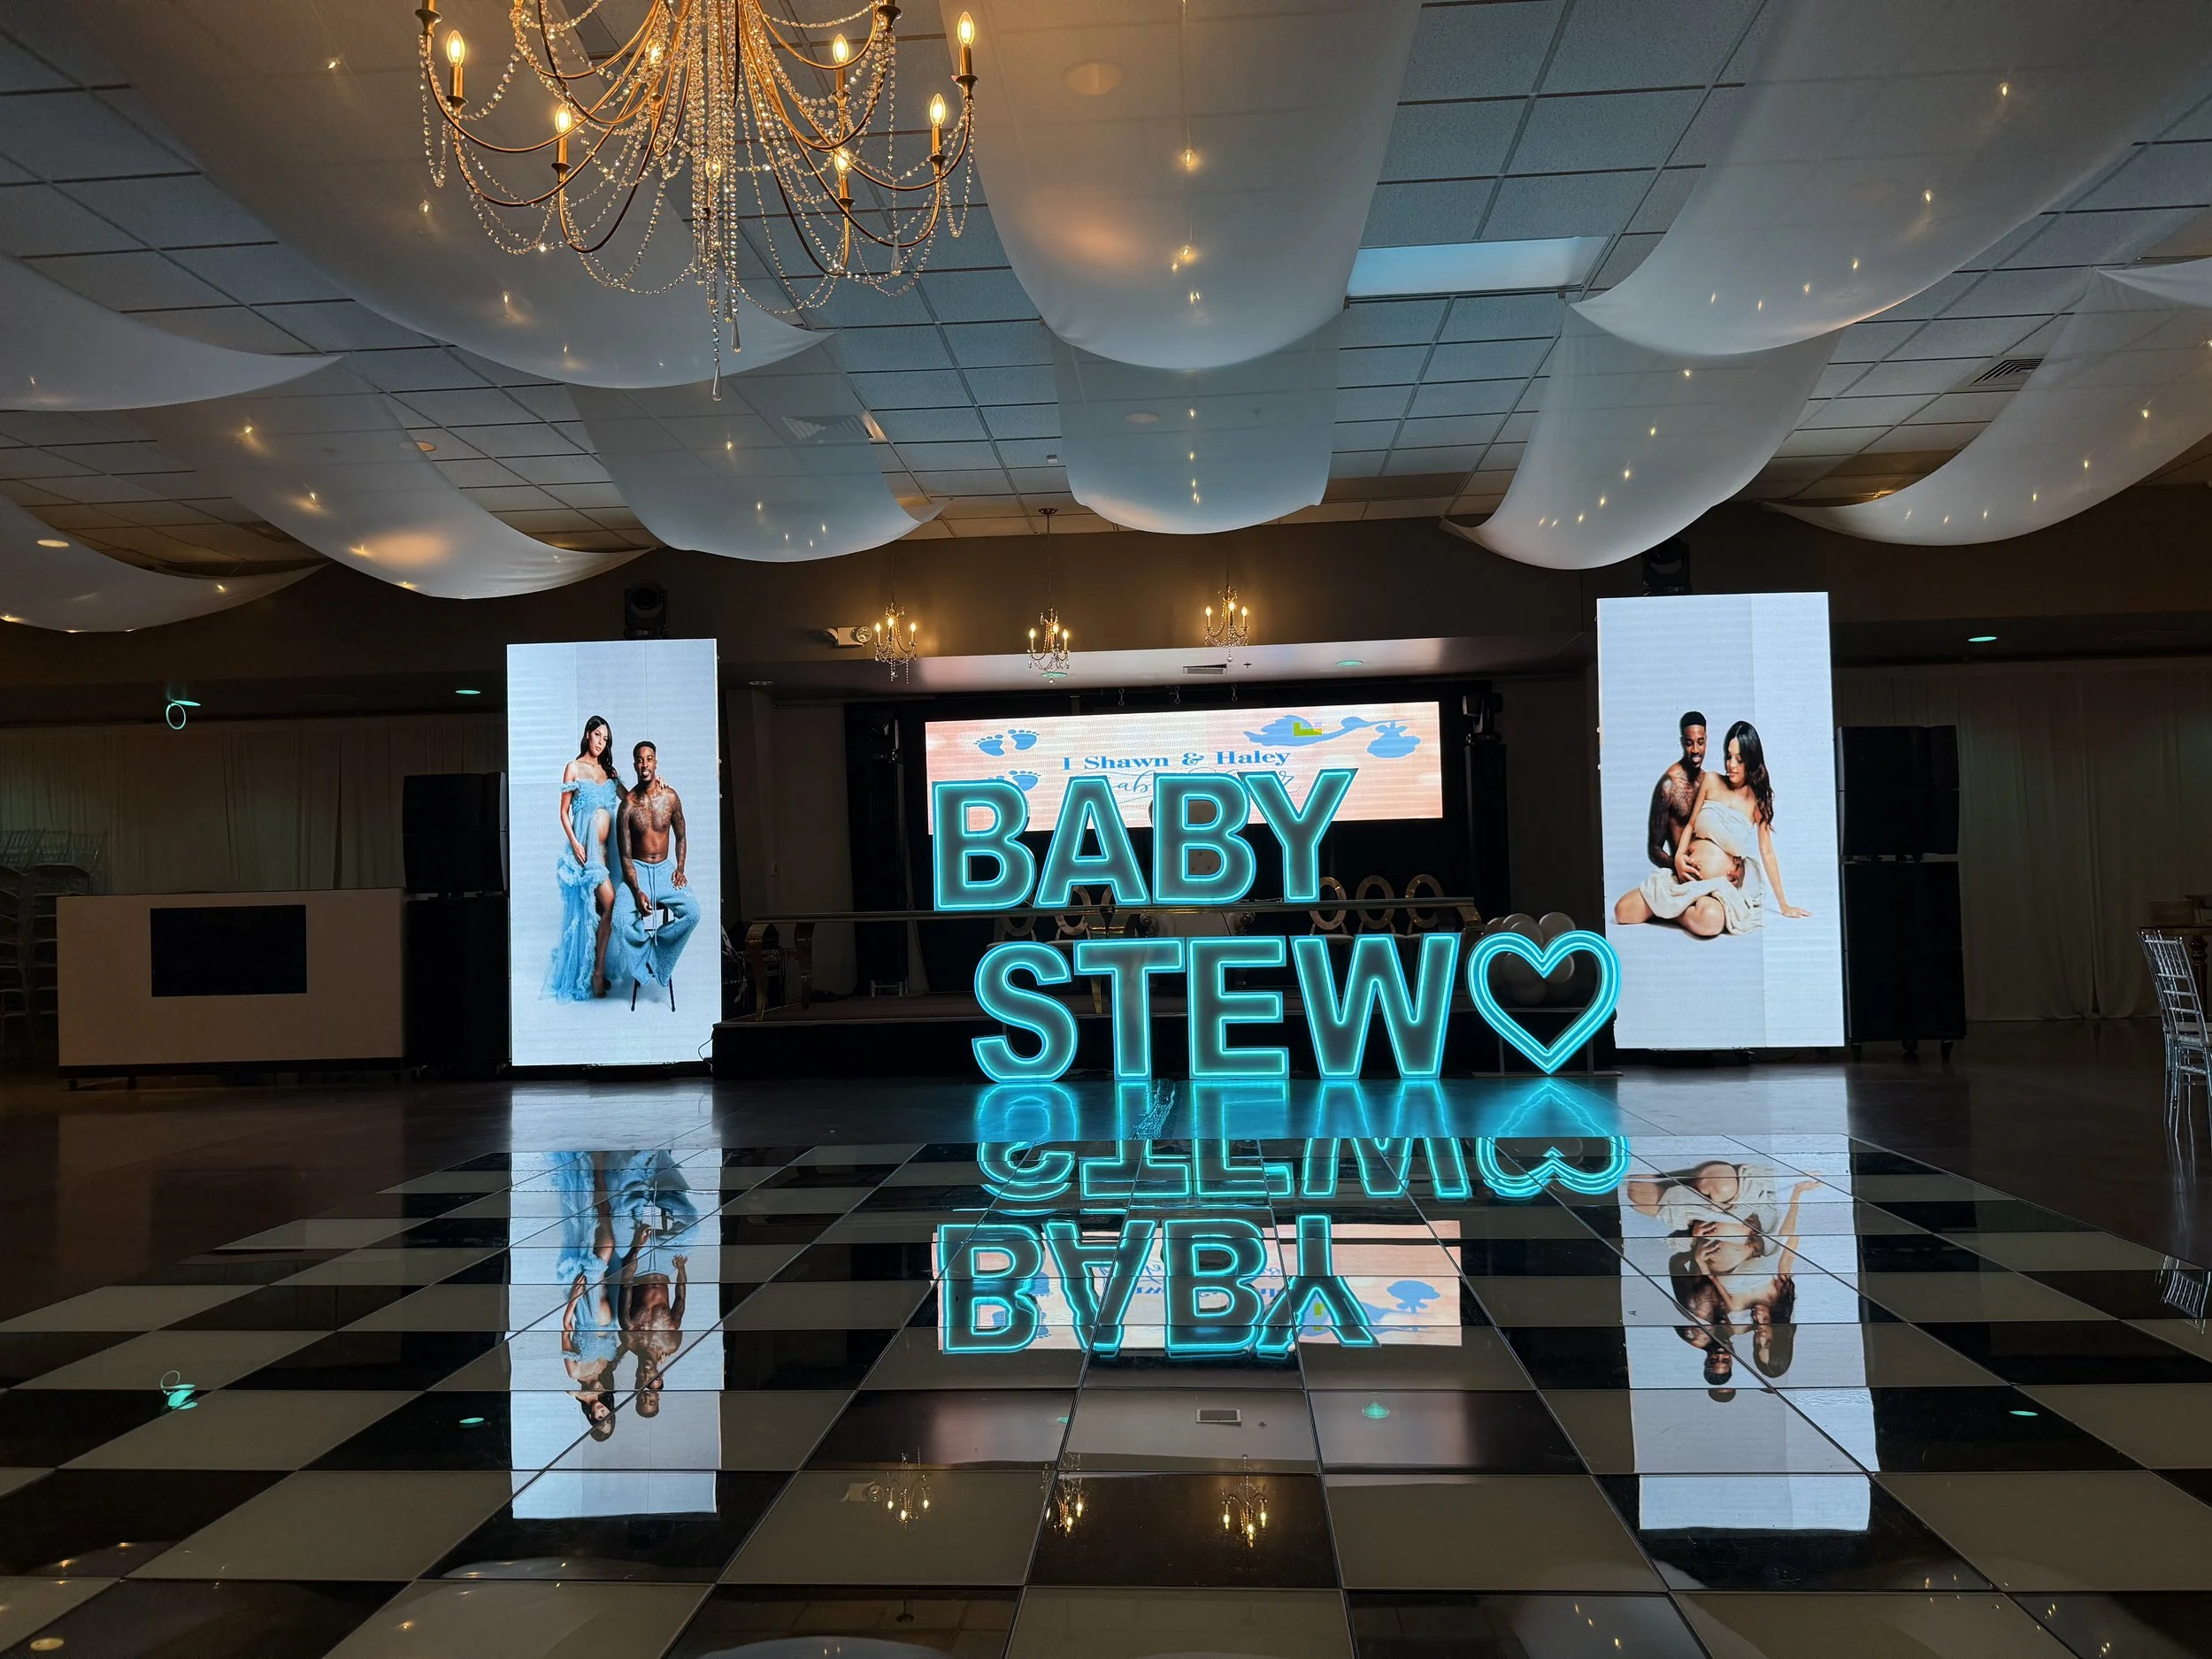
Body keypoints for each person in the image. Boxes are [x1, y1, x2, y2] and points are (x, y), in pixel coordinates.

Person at [1613, 719, 1812, 938]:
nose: (1731, 765)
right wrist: (1678, 859)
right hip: (1685, 879)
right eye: (1728, 756)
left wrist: (1783, 904)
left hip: (1716, 890)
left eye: (1739, 759)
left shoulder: (1757, 802)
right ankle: (1675, 905)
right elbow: (1690, 825)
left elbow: (1767, 852)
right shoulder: (1712, 780)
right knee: (1622, 911)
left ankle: (1671, 912)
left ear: (1751, 761)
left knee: (1711, 920)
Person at [547, 716, 629, 1000]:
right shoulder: (573, 767)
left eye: (605, 739)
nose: (601, 742)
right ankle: (595, 973)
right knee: (609, 906)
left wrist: (657, 784)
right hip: (586, 853)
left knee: (608, 910)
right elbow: (563, 812)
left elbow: (632, 800)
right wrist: (575, 844)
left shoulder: (610, 773)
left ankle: (599, 968)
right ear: (587, 734)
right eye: (597, 735)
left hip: (610, 856)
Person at [617, 740, 699, 995]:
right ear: (635, 765)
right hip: (637, 870)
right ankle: (645, 960)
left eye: (649, 759)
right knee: (620, 920)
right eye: (640, 760)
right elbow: (625, 856)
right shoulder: (627, 805)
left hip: (665, 870)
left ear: (656, 762)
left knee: (693, 913)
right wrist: (636, 890)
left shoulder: (670, 797)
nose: (645, 764)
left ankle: (657, 953)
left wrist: (680, 868)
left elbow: (681, 836)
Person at [554, 1151, 622, 1440]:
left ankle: (595, 1169)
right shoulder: (605, 1373)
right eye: (608, 1415)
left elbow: (565, 1328)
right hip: (608, 1295)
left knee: (603, 1235)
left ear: (591, 1417)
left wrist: (574, 1297)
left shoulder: (575, 1375)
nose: (603, 1412)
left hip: (586, 1302)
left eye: (599, 1419)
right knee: (607, 1225)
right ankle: (598, 1171)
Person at [1647, 711, 1710, 870]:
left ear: (1706, 741)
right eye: (1689, 743)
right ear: (1682, 742)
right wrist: (1678, 867)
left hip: (1710, 874)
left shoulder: (1708, 781)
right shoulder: (1669, 786)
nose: (1695, 750)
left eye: (1700, 742)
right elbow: (1654, 848)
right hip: (1681, 875)